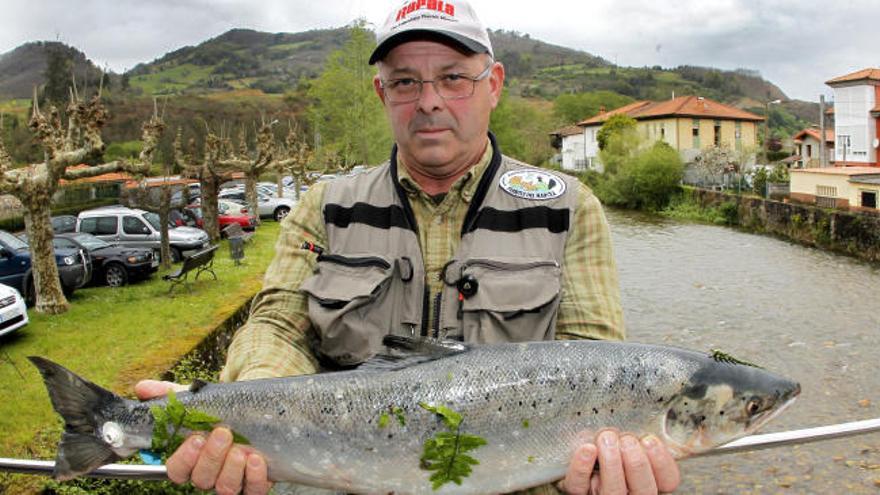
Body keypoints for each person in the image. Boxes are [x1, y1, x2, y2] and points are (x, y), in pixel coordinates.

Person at [136, 1, 681, 494]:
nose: (429, 102)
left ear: (493, 84)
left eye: (453, 78)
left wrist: (604, 459)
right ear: (382, 94)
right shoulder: (324, 207)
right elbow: (277, 326)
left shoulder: (568, 207)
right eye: (405, 82)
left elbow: (591, 363)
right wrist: (254, 406)